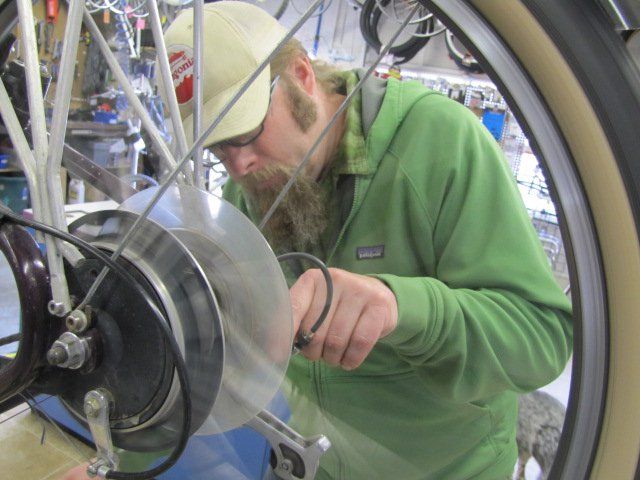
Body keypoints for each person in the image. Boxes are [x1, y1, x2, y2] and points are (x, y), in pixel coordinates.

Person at [57, 3, 571, 480]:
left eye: (246, 132)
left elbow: (543, 339)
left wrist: (403, 309)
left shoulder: (440, 142)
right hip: (311, 463)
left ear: (302, 76)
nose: (238, 166)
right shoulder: (246, 194)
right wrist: (118, 462)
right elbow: (219, 361)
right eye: (217, 149)